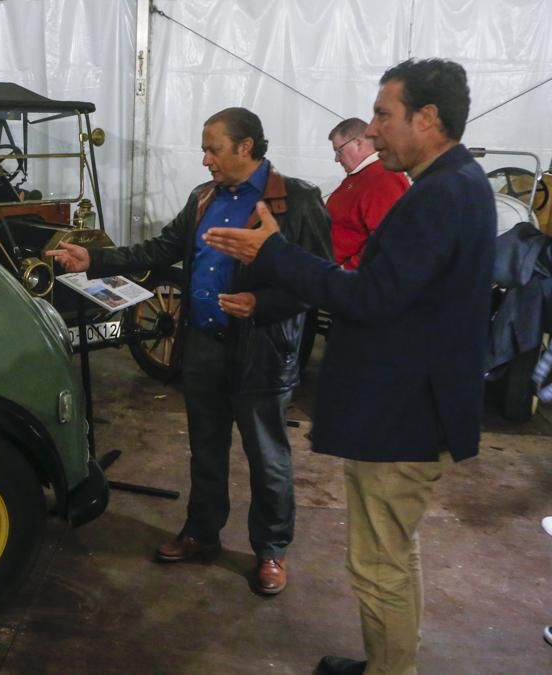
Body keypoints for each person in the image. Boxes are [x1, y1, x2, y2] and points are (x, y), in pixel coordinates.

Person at [201, 59, 495, 675]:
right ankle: (386, 663)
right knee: (392, 553)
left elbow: (369, 296)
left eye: (385, 116)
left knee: (380, 564)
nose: (376, 131)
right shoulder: (453, 185)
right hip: (409, 408)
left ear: (428, 118)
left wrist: (276, 254)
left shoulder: (441, 194)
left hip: (404, 418)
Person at [47, 107, 331, 595]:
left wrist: (261, 303)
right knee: (205, 450)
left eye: (212, 148)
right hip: (203, 347)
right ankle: (202, 533)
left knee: (268, 458)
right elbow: (161, 249)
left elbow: (320, 282)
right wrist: (94, 258)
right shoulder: (204, 198)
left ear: (245, 147)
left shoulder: (295, 201)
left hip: (260, 353)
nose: (204, 160)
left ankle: (271, 551)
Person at [327, 117, 410, 269]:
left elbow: (387, 241)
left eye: (339, 151)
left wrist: (346, 271)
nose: (336, 159)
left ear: (358, 143)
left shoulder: (384, 178)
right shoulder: (360, 175)